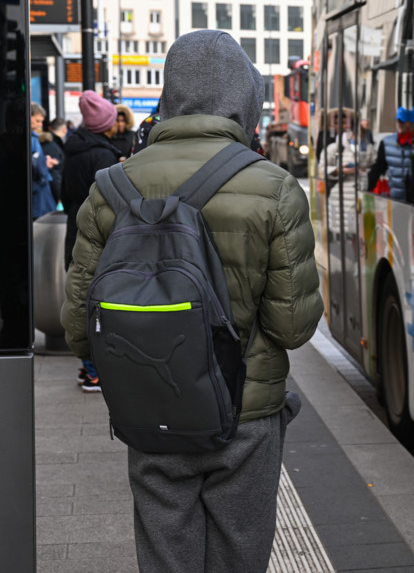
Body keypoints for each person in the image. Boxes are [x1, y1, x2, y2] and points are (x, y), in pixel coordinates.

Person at [60, 30, 323, 571]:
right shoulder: (274, 188)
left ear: (169, 94)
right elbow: (292, 325)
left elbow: (80, 329)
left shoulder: (111, 187)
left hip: (150, 412)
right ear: (244, 98)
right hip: (245, 419)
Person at [61, 91, 124, 392]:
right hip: (95, 229)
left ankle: (87, 368)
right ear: (104, 125)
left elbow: (65, 192)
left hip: (73, 225)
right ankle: (94, 370)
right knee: (97, 298)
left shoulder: (73, 150)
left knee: (79, 292)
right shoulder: (103, 155)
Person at [367, 106, 414, 200]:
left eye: (403, 121)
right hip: (396, 200)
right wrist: (366, 188)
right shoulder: (387, 143)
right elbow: (378, 168)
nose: (400, 124)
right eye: (398, 121)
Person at [30, 103, 58, 219]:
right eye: (37, 120)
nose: (40, 125)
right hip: (38, 193)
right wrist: (44, 163)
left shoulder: (32, 137)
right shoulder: (31, 139)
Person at [39, 117, 68, 207]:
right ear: (64, 130)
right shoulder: (53, 146)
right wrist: (60, 195)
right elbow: (54, 172)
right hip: (50, 194)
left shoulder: (48, 142)